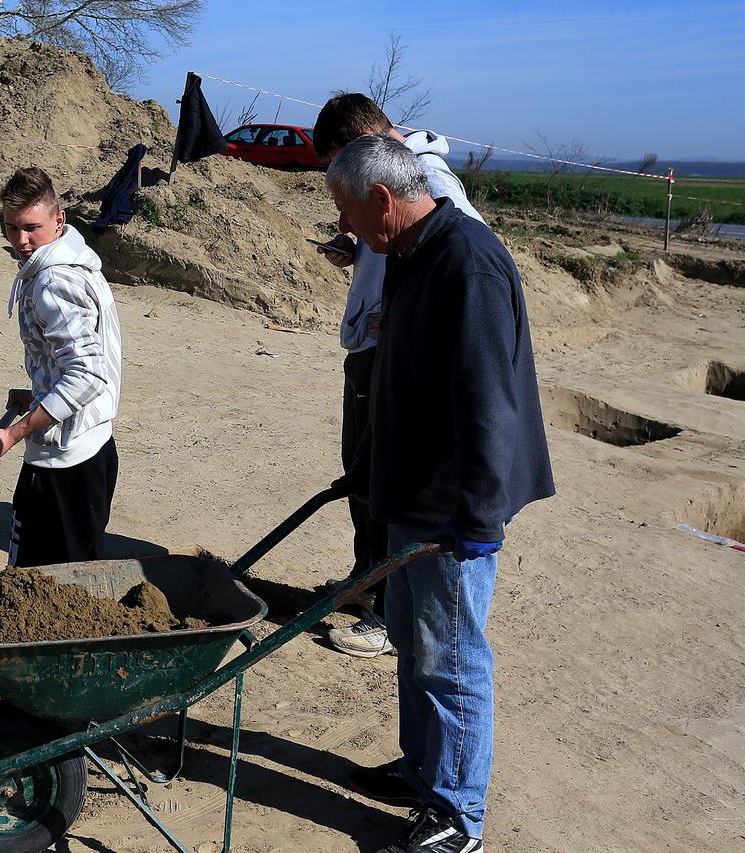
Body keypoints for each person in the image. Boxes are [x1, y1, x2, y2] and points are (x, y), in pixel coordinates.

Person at [325, 134, 555, 853]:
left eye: (347, 211)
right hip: (408, 490)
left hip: (451, 505)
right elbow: (399, 370)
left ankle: (458, 816)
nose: (343, 227)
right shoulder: (406, 251)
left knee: (452, 657)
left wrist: (478, 517)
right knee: (414, 641)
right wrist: (369, 464)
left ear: (382, 198)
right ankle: (424, 769)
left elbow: (488, 402)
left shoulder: (468, 262)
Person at [311, 93, 485, 659]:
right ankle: (369, 580)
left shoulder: (429, 180)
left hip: (393, 354)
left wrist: (402, 315)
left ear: (364, 143)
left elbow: (459, 260)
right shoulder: (385, 185)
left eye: (340, 162)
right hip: (371, 349)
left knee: (388, 485)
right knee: (363, 477)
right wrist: (354, 248)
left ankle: (387, 611)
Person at [0, 167, 123, 568]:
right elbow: (82, 361)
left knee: (45, 578)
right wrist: (39, 394)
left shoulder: (55, 282)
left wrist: (14, 432)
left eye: (31, 228)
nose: (20, 241)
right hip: (89, 443)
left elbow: (87, 376)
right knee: (69, 573)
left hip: (67, 459)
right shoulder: (70, 262)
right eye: (11, 228)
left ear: (59, 220)